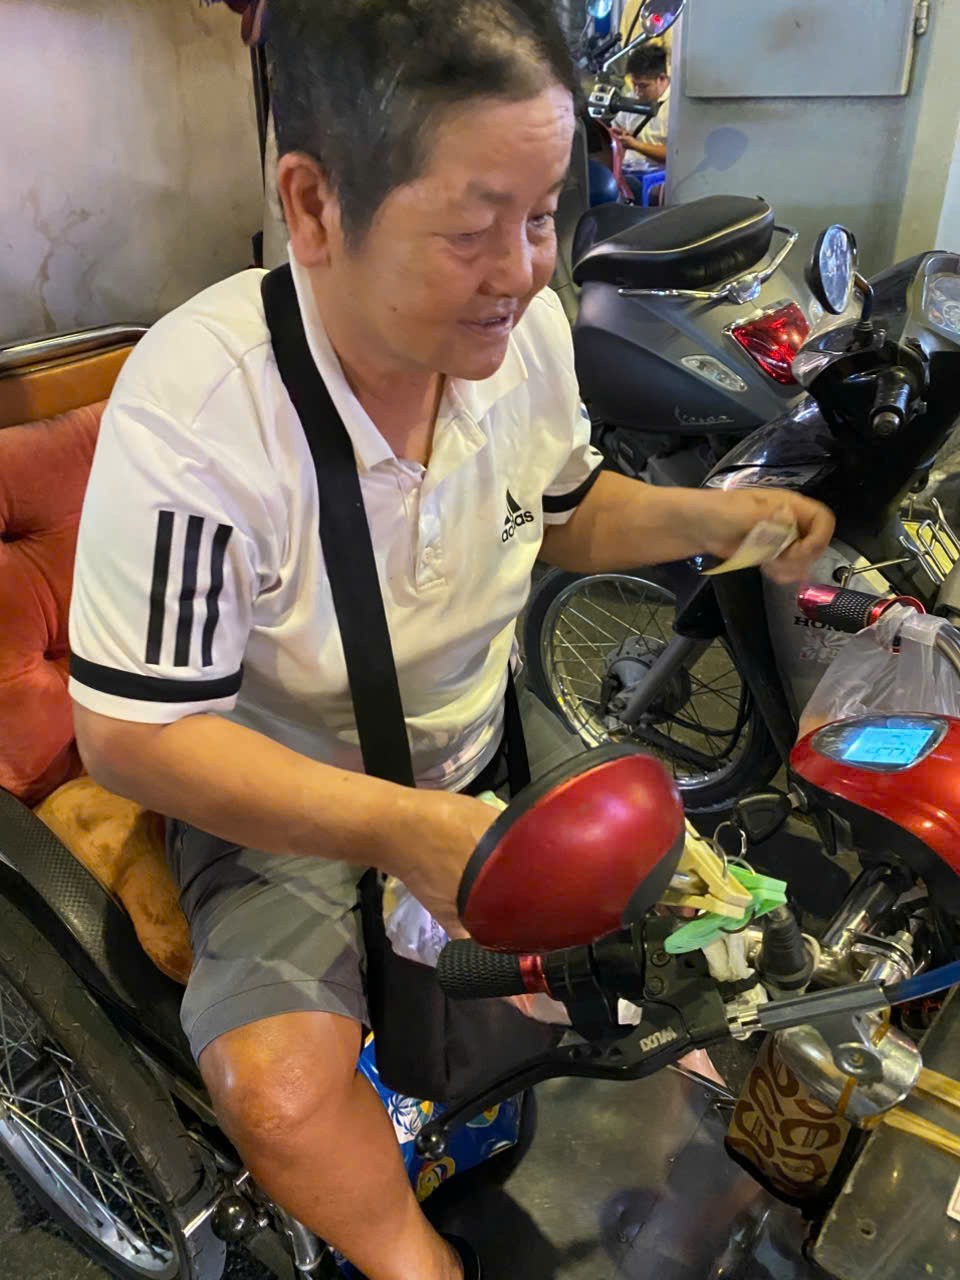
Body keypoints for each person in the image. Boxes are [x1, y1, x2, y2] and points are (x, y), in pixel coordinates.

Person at [68, 3, 834, 1278]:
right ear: (314, 206)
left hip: (479, 737)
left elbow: (566, 513)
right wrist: (401, 828)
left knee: (683, 938)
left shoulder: (523, 338)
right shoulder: (201, 409)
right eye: (475, 228)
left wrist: (724, 518)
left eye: (543, 217)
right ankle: (410, 1255)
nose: (525, 270)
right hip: (284, 791)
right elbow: (134, 736)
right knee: (279, 1093)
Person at [613, 46, 671, 200]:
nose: (637, 91)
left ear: (661, 79)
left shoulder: (676, 106)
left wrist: (636, 145)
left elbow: (676, 154)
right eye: (634, 84)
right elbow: (616, 128)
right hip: (626, 172)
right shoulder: (631, 98)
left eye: (644, 86)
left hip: (656, 182)